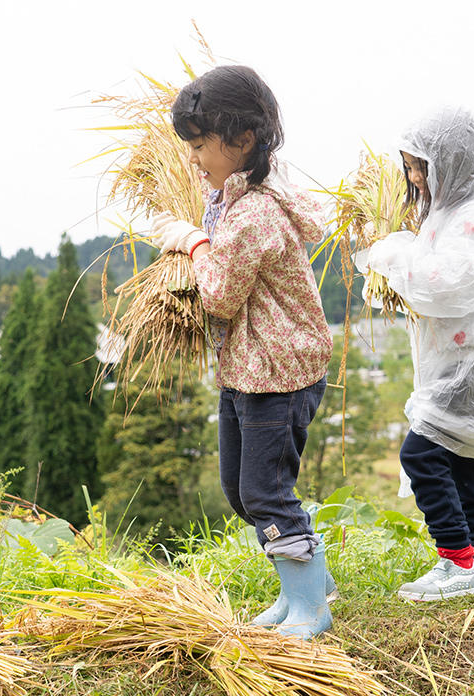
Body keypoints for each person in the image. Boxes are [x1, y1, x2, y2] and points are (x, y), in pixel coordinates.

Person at [151, 65, 335, 639]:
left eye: (201, 144)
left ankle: (311, 607)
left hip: (276, 376)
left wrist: (196, 242)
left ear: (243, 139)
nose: (195, 158)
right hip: (249, 370)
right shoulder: (234, 194)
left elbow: (221, 296)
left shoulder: (254, 211)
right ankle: (303, 586)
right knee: (242, 490)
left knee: (264, 491)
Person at [357, 106, 474, 601]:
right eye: (408, 166)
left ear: (449, 161)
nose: (411, 176)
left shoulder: (471, 219)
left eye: (417, 166)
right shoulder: (445, 216)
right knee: (467, 462)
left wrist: (391, 255)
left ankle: (455, 560)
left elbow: (444, 285)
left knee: (422, 453)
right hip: (471, 360)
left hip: (472, 363)